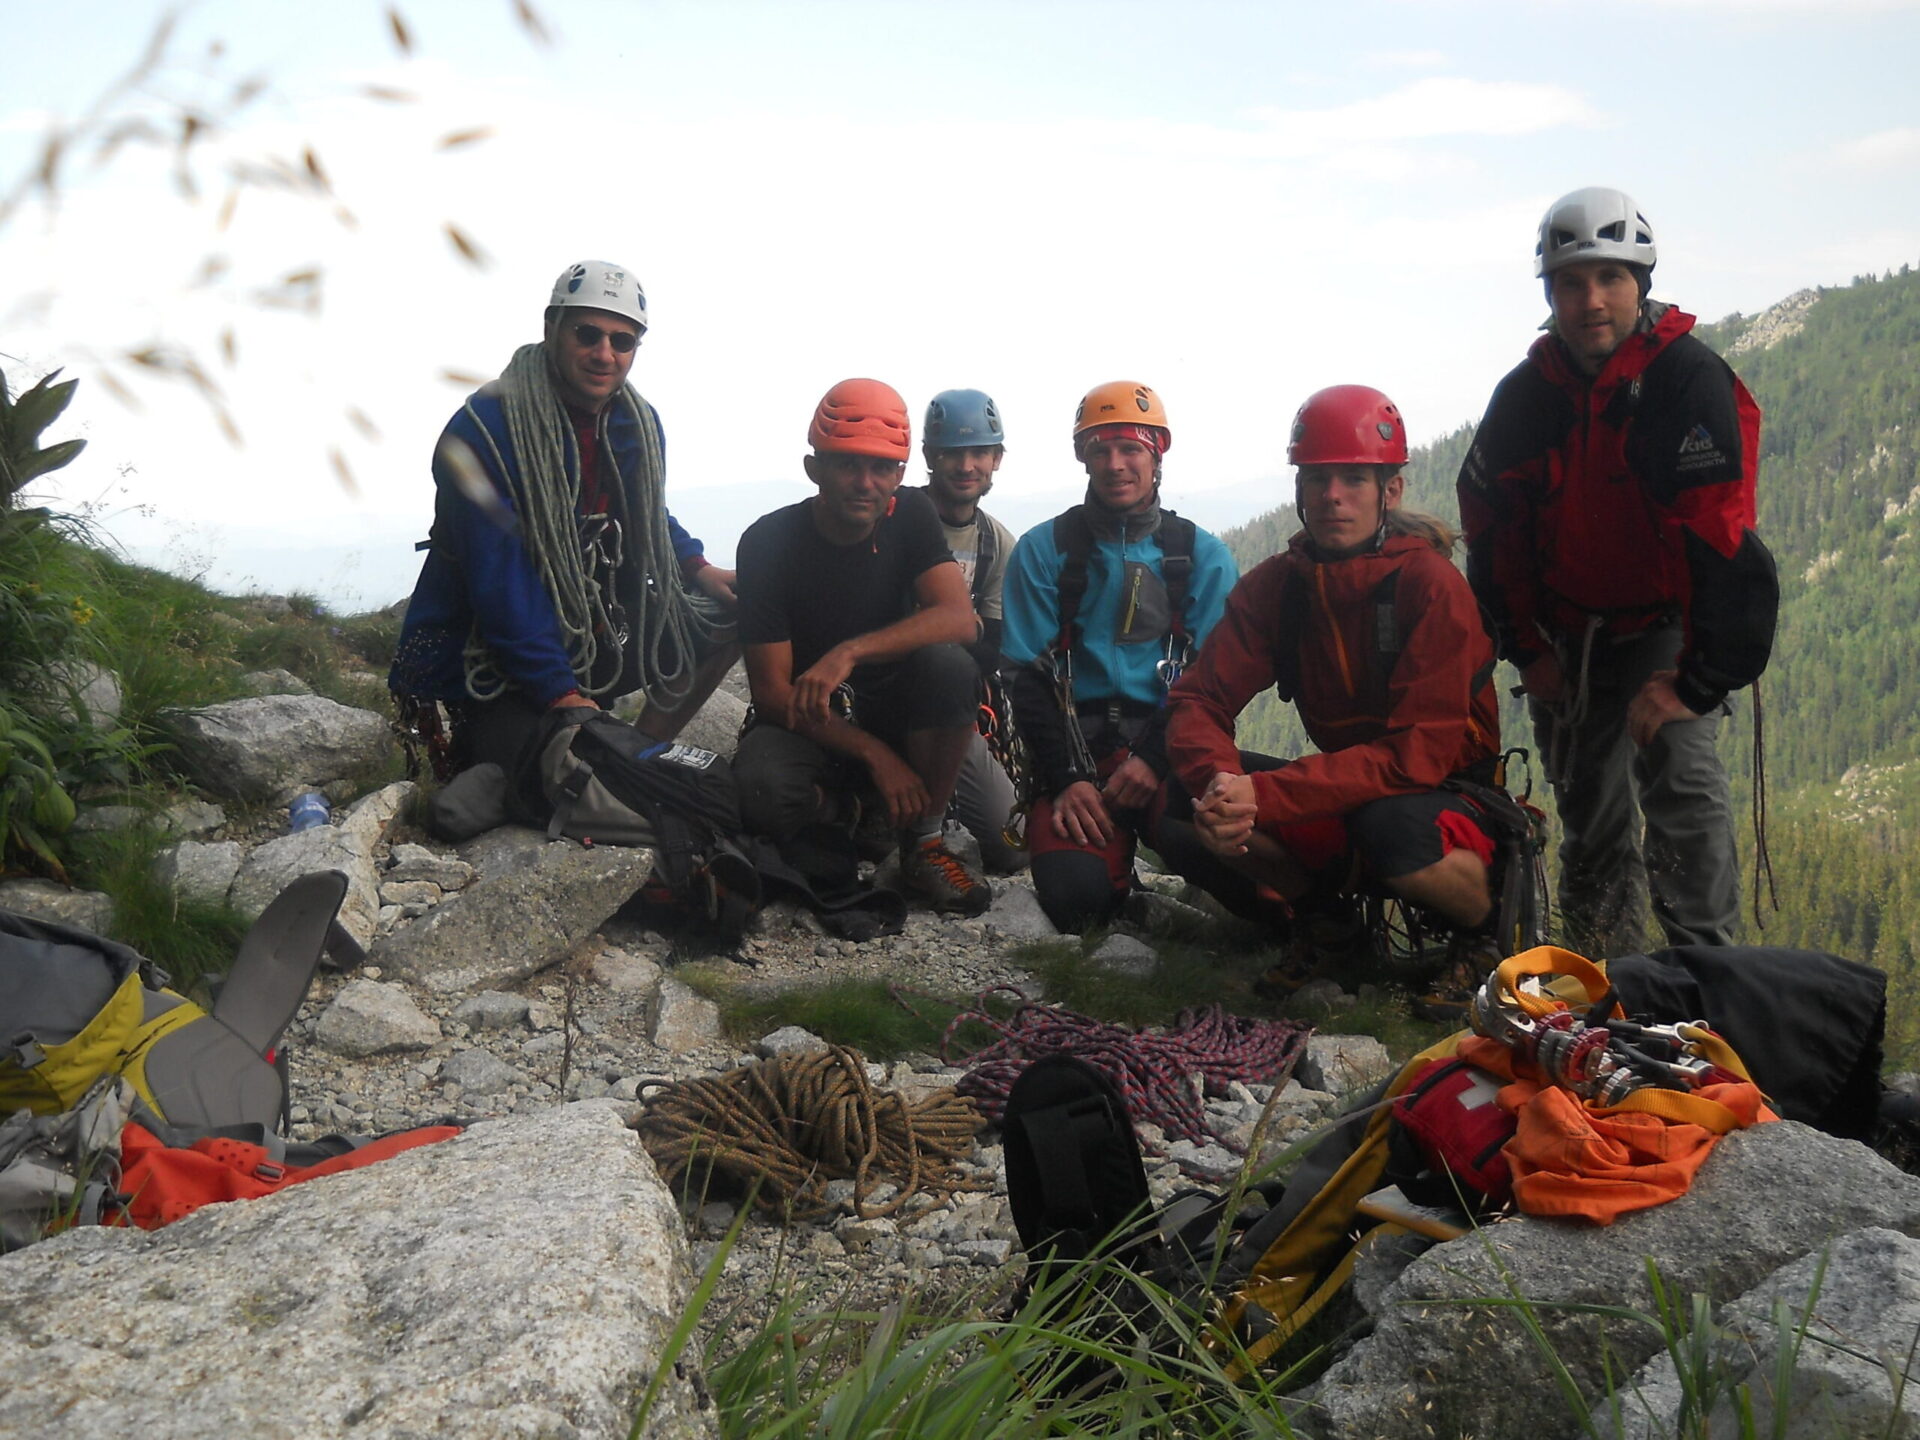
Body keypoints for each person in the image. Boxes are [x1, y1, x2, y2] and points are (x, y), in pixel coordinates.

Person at [1458, 187, 1779, 952]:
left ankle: (1704, 977)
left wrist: (1696, 681)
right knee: (1592, 814)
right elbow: (1491, 528)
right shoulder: (1528, 397)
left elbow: (1720, 532)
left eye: (1610, 279)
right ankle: (1605, 974)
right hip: (1568, 634)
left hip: (1666, 625)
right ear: (1551, 294)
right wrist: (1529, 650)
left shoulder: (1682, 380)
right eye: (1572, 283)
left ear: (1641, 283)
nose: (1592, 300)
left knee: (1682, 781)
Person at [1164, 385, 1504, 1014]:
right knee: (1175, 785)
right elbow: (1199, 700)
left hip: (1450, 797)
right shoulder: (1282, 587)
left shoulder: (1431, 588)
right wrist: (1218, 781)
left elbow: (1415, 758)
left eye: (1353, 479)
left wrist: (1262, 794)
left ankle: (1485, 935)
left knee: (1391, 824)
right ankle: (1327, 924)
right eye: (1317, 479)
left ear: (1390, 491)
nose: (1332, 497)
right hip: (1346, 789)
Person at [389, 259, 737, 779]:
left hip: (584, 635)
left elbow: (642, 507)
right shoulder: (481, 432)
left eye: (623, 342)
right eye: (588, 334)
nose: (605, 354)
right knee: (531, 772)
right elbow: (498, 575)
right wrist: (560, 691)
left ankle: (631, 757)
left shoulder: (629, 423)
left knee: (730, 617)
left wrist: (696, 566)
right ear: (551, 328)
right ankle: (596, 751)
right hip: (481, 657)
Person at [731, 378, 993, 917]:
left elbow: (958, 619)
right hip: (812, 721)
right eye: (847, 464)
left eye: (882, 468)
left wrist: (847, 653)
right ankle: (857, 813)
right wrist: (876, 757)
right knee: (759, 788)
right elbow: (774, 693)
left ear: (900, 473)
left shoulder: (911, 516)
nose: (865, 483)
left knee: (948, 665)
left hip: (894, 708)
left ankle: (921, 841)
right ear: (815, 469)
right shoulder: (769, 542)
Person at [1001, 381, 1237, 932]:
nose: (1115, 464)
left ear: (1157, 454)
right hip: (1076, 749)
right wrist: (1066, 777)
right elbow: (1027, 676)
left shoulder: (1200, 556)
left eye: (1130, 448)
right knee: (1076, 904)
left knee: (1199, 839)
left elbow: (1216, 681)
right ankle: (1113, 882)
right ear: (1083, 457)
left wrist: (1154, 759)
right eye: (1100, 450)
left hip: (1169, 746)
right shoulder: (1044, 550)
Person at [906, 388, 1026, 875]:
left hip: (950, 702)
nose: (966, 465)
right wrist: (962, 627)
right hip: (884, 688)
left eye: (979, 452)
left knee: (1013, 844)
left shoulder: (996, 543)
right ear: (931, 457)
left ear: (997, 458)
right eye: (954, 453)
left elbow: (992, 647)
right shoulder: (896, 517)